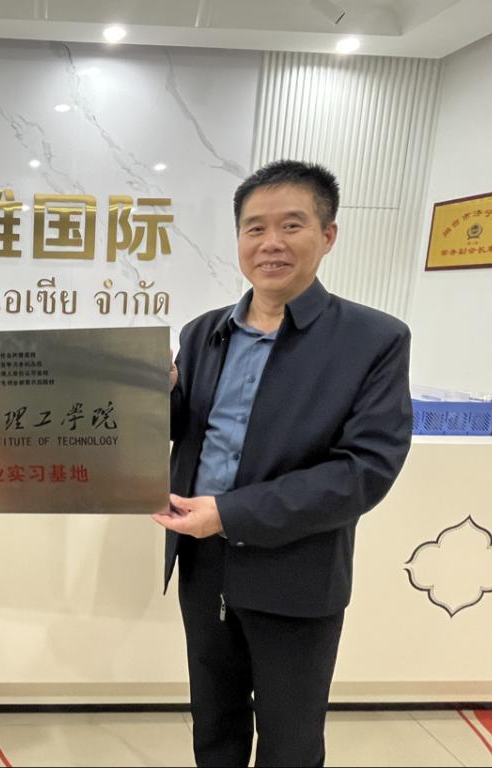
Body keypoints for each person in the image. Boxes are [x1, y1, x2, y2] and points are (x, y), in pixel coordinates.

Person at [154, 160, 412, 767]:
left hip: (298, 569)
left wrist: (231, 513)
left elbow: (364, 471)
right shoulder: (202, 333)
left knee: (290, 740)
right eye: (255, 228)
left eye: (291, 225)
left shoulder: (373, 340)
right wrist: (155, 395)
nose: (270, 243)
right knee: (213, 725)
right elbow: (183, 429)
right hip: (202, 560)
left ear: (328, 235)